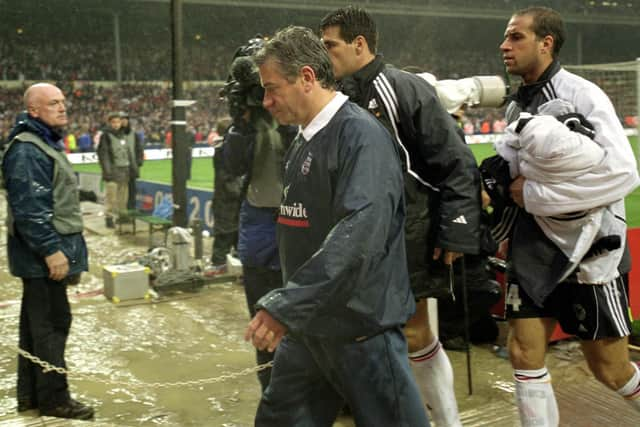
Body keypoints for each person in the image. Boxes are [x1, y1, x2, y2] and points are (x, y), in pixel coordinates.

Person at [244, 26, 429, 426]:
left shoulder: (361, 137)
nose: (266, 100)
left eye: (272, 88)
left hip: (361, 331)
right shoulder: (303, 140)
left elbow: (358, 237)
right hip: (310, 330)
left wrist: (285, 306)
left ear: (307, 78)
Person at [320, 7, 482, 426]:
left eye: (330, 46)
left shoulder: (403, 89)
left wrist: (456, 232)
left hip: (408, 235)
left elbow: (455, 164)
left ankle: (446, 422)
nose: (325, 55)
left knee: (412, 335)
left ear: (359, 44)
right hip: (357, 239)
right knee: (366, 337)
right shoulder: (333, 98)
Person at [498, 7, 640, 426]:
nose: (505, 46)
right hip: (533, 246)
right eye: (506, 37)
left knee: (610, 369)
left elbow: (622, 173)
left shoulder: (583, 95)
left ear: (546, 43)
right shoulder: (515, 103)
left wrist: (536, 196)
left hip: (590, 249)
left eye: (516, 37)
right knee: (523, 352)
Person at [1, 83, 94, 420]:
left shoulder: (40, 143)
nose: (62, 107)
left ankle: (31, 397)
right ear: (34, 111)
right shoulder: (29, 149)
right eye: (53, 103)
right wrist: (52, 251)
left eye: (63, 102)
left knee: (34, 328)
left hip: (40, 258)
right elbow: (30, 211)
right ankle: (56, 401)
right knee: (52, 327)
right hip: (43, 260)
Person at [222, 37, 296, 389]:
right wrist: (242, 122)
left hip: (302, 226)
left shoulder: (301, 114)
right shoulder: (245, 125)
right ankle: (273, 392)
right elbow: (231, 168)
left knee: (308, 314)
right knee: (264, 319)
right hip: (260, 226)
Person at [208, 117, 242, 273]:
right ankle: (219, 265)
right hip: (226, 199)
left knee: (234, 235)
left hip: (227, 198)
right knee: (224, 235)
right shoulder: (223, 149)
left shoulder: (223, 147)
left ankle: (233, 264)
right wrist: (239, 190)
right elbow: (226, 177)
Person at [97, 112, 138, 228]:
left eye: (118, 122)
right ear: (110, 123)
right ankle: (109, 218)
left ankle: (122, 216)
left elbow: (128, 153)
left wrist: (132, 168)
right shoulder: (105, 136)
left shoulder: (122, 135)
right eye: (113, 122)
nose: (116, 124)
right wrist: (108, 172)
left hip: (124, 171)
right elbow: (103, 155)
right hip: (113, 171)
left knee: (123, 196)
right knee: (111, 197)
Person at [120, 111, 144, 210]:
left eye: (125, 119)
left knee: (132, 189)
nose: (124, 121)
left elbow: (139, 149)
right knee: (121, 190)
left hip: (132, 167)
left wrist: (139, 161)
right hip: (120, 167)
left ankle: (131, 209)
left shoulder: (134, 134)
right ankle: (122, 210)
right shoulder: (114, 134)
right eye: (121, 119)